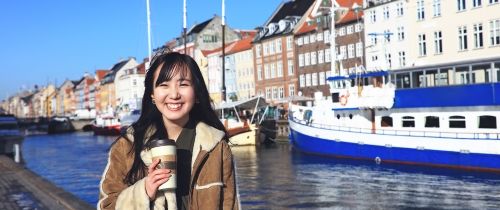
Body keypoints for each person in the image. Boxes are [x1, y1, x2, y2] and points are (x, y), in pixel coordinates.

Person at [98, 51, 240, 210]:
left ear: (197, 93)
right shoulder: (128, 145)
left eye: (183, 84)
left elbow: (230, 205)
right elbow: (107, 205)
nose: (174, 94)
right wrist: (144, 191)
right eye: (164, 85)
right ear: (152, 94)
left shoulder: (215, 146)